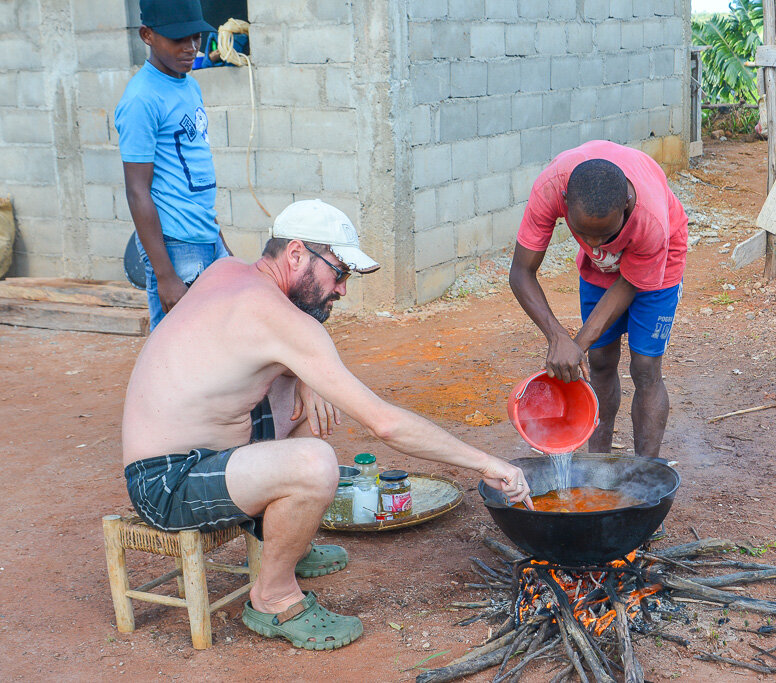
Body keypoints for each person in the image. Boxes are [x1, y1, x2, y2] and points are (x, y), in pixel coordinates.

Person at [121, 199, 533, 650]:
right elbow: (385, 424)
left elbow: (255, 345)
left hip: (203, 455)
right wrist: (487, 463)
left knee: (306, 403)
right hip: (166, 482)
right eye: (338, 272)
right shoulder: (277, 317)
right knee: (315, 462)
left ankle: (288, 547)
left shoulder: (230, 272)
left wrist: (299, 377)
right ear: (295, 254)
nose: (342, 288)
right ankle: (273, 598)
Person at [509, 141, 688, 459]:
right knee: (601, 360)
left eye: (605, 235)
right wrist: (557, 337)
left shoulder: (651, 221)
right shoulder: (551, 188)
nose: (593, 243)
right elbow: (521, 272)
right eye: (582, 233)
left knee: (645, 367)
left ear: (627, 205)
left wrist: (574, 344)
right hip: (600, 272)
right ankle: (596, 464)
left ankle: (643, 475)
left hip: (659, 258)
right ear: (565, 203)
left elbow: (629, 284)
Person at [115, 0, 231, 330]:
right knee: (178, 346)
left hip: (205, 235)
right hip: (176, 247)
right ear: (147, 35)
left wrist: (218, 239)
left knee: (218, 339)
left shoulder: (189, 84)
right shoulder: (141, 99)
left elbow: (189, 177)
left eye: (195, 37)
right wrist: (166, 276)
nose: (191, 47)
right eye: (178, 39)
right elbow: (137, 191)